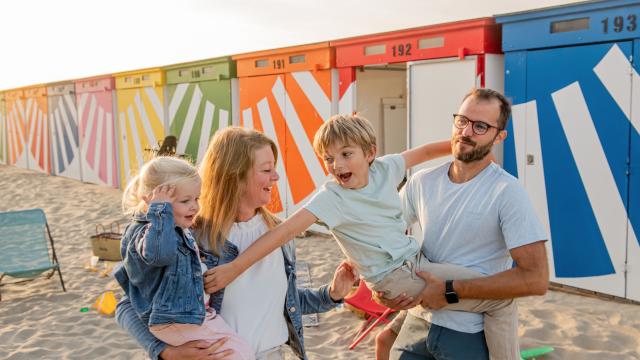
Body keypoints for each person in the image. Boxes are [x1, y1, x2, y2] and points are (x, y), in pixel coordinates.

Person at [206, 114, 520, 359]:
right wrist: (234, 268)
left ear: (370, 153)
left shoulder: (385, 169)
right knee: (500, 298)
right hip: (393, 278)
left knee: (492, 287)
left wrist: (471, 154)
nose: (336, 165)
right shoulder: (331, 197)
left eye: (345, 154)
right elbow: (283, 231)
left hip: (415, 262)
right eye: (328, 158)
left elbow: (425, 151)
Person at [115, 127, 358, 360]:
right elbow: (128, 304)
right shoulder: (190, 234)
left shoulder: (281, 234)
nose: (276, 176)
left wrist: (332, 294)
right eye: (266, 169)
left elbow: (284, 301)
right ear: (234, 175)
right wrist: (163, 351)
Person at [381, 88, 549, 360]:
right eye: (462, 120)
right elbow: (382, 236)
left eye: (480, 126)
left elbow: (536, 279)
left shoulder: (506, 191)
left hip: (469, 333)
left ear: (499, 136)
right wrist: (382, 292)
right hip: (417, 321)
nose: (467, 132)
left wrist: (450, 290)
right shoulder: (422, 181)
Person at [114, 156, 254, 359]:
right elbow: (160, 255)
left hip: (190, 316)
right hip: (177, 319)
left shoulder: (177, 228)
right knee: (239, 354)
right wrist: (161, 212)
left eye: (196, 199)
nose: (195, 207)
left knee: (238, 351)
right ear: (152, 202)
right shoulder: (148, 232)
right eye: (185, 201)